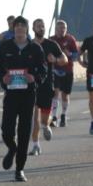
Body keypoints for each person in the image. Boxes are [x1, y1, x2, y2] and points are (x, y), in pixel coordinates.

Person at [0, 16, 47, 182]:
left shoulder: (35, 48)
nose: (20, 28)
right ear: (13, 29)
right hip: (11, 95)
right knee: (6, 130)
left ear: (27, 29)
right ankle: (12, 148)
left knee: (24, 132)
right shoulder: (5, 47)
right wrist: (3, 77)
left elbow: (43, 70)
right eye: (17, 26)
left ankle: (19, 169)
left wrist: (34, 78)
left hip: (28, 95)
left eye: (23, 26)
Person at [29, 18, 64, 156]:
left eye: (43, 26)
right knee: (34, 116)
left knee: (44, 118)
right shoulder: (29, 45)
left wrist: (55, 60)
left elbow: (65, 59)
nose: (41, 28)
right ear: (33, 28)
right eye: (38, 26)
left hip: (47, 84)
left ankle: (46, 125)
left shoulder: (51, 44)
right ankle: (35, 145)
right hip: (32, 84)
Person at [49, 19, 78, 128]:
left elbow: (76, 55)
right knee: (55, 93)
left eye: (64, 28)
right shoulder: (51, 40)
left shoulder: (70, 39)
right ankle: (54, 116)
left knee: (65, 95)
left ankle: (63, 115)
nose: (62, 30)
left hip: (67, 70)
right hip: (54, 70)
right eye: (59, 28)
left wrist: (69, 54)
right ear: (55, 29)